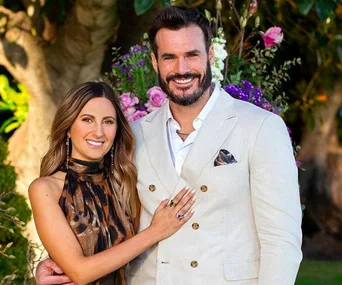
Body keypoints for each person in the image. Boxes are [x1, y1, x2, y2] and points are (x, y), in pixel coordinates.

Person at [36, 6, 303, 285]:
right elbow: (97, 213)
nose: (181, 69)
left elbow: (281, 240)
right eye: (169, 57)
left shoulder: (260, 128)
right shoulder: (133, 135)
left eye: (192, 55)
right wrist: (59, 262)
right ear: (155, 62)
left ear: (210, 56)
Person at [29, 81, 196, 285]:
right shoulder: (46, 189)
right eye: (87, 120)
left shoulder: (123, 182)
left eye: (108, 122)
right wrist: (155, 232)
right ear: (68, 127)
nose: (99, 132)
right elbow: (81, 273)